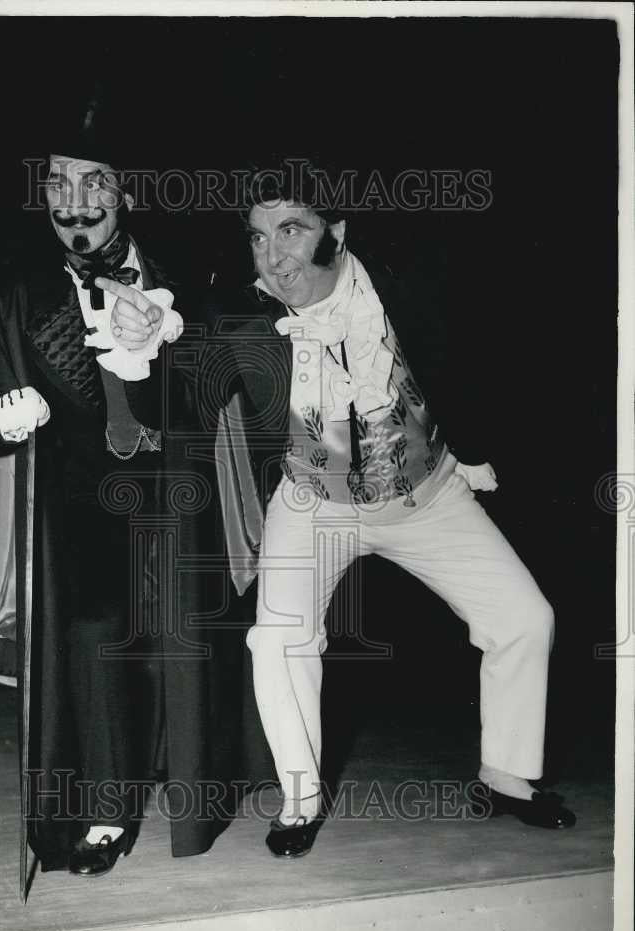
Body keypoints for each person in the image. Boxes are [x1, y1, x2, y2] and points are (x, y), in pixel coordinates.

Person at [102, 159, 576, 861]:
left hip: (425, 494)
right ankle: (299, 798)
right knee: (278, 639)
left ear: (337, 232)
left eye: (291, 230)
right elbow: (185, 407)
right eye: (259, 237)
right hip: (312, 499)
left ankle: (507, 774)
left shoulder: (407, 281)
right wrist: (138, 350)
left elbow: (474, 356)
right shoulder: (241, 313)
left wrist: (474, 448)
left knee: (525, 620)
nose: (273, 254)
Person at [0, 92, 262, 892]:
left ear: (123, 192)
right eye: (59, 183)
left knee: (182, 650)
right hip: (79, 505)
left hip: (173, 495)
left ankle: (194, 793)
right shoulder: (11, 292)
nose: (75, 203)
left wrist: (171, 341)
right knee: (94, 647)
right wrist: (1, 413)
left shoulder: (186, 278)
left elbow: (225, 387)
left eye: (94, 183)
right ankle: (105, 806)